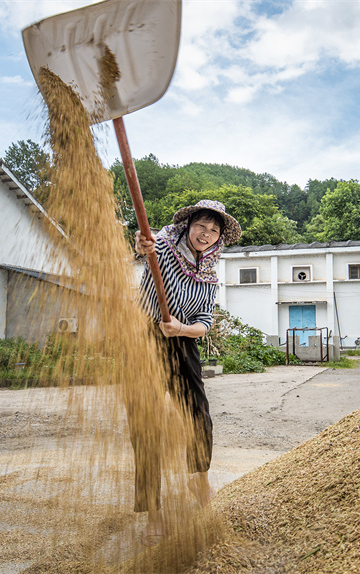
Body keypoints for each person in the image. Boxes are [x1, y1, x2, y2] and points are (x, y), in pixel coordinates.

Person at [130, 199, 241, 546]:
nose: (205, 235)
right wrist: (140, 244)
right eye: (201, 226)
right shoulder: (163, 245)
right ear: (189, 224)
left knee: (198, 415)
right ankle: (153, 511)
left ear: (218, 238)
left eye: (213, 230)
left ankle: (198, 479)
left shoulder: (209, 276)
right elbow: (143, 246)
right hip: (145, 338)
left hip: (182, 342)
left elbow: (204, 324)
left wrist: (181, 329)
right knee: (145, 426)